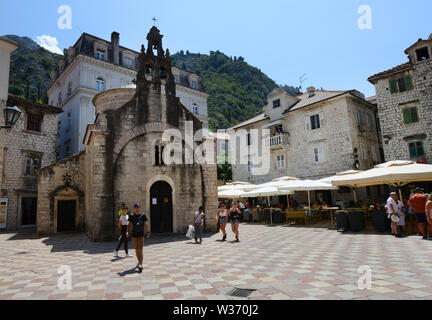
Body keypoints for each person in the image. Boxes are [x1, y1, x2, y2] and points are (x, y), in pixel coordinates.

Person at [128, 202, 150, 273]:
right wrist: (127, 232)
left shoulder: (143, 215)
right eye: (136, 207)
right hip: (134, 234)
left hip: (141, 234)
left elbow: (146, 224)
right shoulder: (131, 216)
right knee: (136, 249)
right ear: (134, 208)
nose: (137, 208)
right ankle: (139, 262)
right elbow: (129, 224)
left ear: (140, 208)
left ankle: (140, 264)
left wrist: (147, 232)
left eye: (138, 207)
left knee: (140, 249)